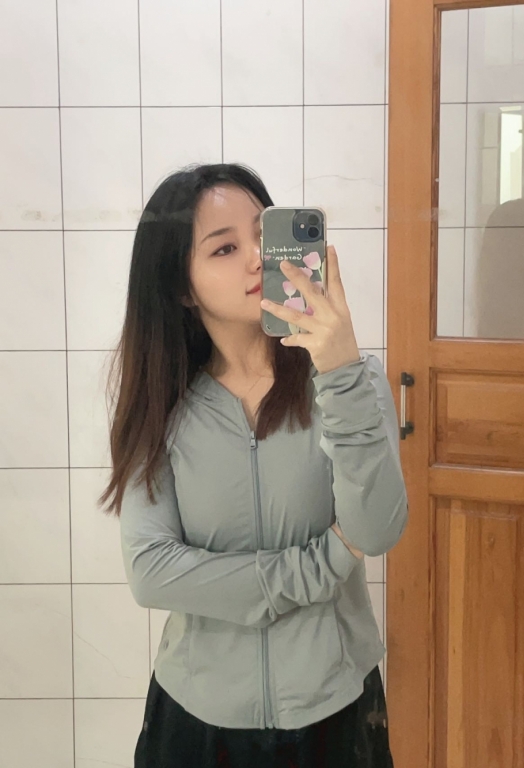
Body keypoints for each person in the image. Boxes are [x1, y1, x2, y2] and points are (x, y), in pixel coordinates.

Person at [99, 163, 408, 767]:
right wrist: (322, 564)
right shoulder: (159, 404)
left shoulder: (351, 381)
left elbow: (375, 530)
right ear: (183, 287)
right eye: (225, 248)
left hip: (334, 710)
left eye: (264, 236)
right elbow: (152, 571)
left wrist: (340, 371)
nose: (257, 258)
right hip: (196, 716)